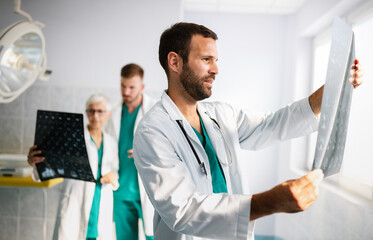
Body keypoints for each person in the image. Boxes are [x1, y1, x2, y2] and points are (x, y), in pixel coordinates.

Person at [132, 22, 364, 240]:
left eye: (216, 60)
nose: (216, 69)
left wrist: (330, 91)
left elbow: (272, 125)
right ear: (174, 62)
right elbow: (182, 210)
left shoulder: (220, 115)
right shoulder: (152, 131)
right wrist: (268, 202)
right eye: (206, 59)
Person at [27, 93, 119, 240]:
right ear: (86, 113)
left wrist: (114, 178)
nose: (95, 115)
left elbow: (115, 171)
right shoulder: (71, 138)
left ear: (108, 115)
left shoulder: (112, 143)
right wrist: (37, 165)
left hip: (101, 204)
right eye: (91, 111)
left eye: (100, 111)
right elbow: (52, 166)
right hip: (75, 203)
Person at [105, 63, 157, 240]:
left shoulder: (156, 111)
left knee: (155, 236)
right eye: (123, 86)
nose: (126, 92)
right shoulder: (112, 112)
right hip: (121, 190)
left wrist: (147, 150)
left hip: (149, 189)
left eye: (131, 87)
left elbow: (171, 147)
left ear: (142, 87)